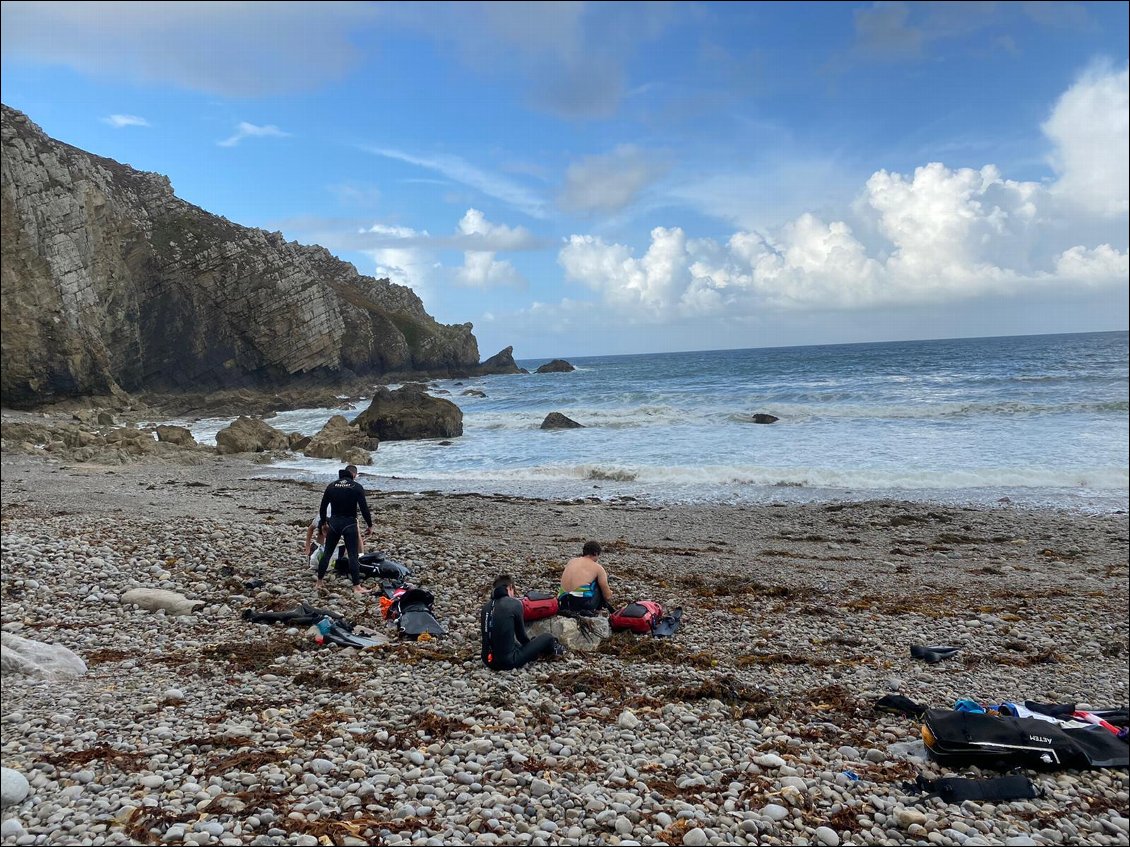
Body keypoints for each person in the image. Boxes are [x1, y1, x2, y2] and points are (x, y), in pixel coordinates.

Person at [480, 574, 561, 670]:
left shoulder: (486, 607)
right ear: (510, 588)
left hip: (487, 661)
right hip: (508, 662)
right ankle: (556, 650)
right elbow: (522, 637)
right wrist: (533, 646)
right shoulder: (515, 604)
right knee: (548, 637)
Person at [314, 465, 373, 595]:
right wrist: (370, 525)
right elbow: (364, 509)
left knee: (327, 553)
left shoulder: (331, 486)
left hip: (334, 523)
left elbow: (322, 507)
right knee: (353, 555)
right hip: (349, 523)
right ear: (354, 475)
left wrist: (323, 523)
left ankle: (319, 581)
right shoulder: (356, 487)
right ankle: (356, 586)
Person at [558, 540, 614, 615]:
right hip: (582, 604)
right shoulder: (598, 568)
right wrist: (609, 593)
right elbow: (607, 597)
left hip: (563, 602)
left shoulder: (571, 562)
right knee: (598, 584)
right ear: (595, 553)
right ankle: (596, 611)